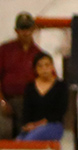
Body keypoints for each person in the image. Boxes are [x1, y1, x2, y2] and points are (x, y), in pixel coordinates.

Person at [0, 12, 44, 140]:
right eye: (22, 29)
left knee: (26, 135)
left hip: (29, 102)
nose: (25, 33)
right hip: (6, 99)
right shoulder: (5, 50)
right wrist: (1, 100)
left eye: (28, 29)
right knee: (3, 132)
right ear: (16, 30)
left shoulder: (39, 54)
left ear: (33, 30)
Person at [17, 52, 66, 141]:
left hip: (53, 125)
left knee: (28, 142)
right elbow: (26, 110)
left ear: (52, 67)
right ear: (35, 69)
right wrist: (27, 125)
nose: (44, 69)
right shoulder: (30, 87)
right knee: (17, 144)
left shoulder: (61, 86)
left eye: (47, 65)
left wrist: (39, 124)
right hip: (32, 127)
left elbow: (60, 112)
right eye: (40, 66)